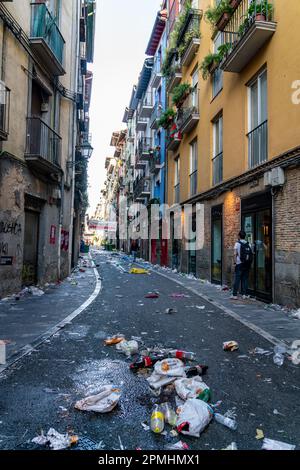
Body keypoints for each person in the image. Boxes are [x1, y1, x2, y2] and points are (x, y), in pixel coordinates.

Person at [231, 230, 253, 300]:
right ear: (245, 236)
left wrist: (234, 262)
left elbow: (234, 254)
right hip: (246, 264)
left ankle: (234, 295)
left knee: (237, 279)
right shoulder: (248, 244)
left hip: (239, 263)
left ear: (239, 236)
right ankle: (244, 294)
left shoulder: (237, 244)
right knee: (245, 279)